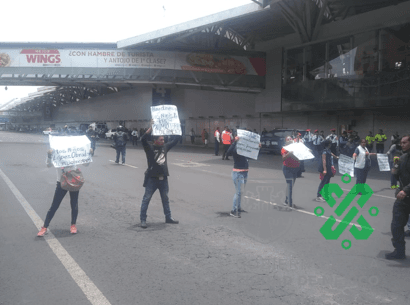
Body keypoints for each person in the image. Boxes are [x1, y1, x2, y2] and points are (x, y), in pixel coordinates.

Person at [37, 137, 93, 237]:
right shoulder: (57, 153)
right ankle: (44, 227)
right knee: (54, 205)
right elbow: (49, 165)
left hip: (74, 181)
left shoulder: (73, 154)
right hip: (61, 182)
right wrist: (49, 155)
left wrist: (89, 154)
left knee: (74, 204)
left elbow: (86, 164)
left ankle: (73, 225)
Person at [140, 119, 180, 228]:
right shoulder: (149, 148)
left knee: (165, 199)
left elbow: (176, 140)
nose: (163, 141)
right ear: (155, 140)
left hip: (164, 179)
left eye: (163, 139)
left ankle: (168, 217)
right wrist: (150, 129)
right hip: (152, 179)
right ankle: (143, 219)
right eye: (161, 139)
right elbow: (143, 139)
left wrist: (175, 129)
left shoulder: (165, 147)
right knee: (146, 199)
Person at [386, 135, 410, 259]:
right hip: (404, 198)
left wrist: (405, 190)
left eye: (405, 142)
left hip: (406, 193)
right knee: (396, 224)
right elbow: (396, 176)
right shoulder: (402, 158)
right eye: (401, 142)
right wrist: (395, 168)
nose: (402, 144)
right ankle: (399, 251)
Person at [226, 136, 261, 217]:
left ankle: (238, 208)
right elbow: (228, 152)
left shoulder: (245, 150)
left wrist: (258, 148)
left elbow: (253, 156)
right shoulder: (236, 149)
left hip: (245, 173)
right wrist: (235, 141)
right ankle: (233, 211)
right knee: (238, 192)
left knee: (241, 192)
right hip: (238, 173)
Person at [281, 137, 300, 208]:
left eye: (290, 140)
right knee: (290, 184)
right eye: (288, 140)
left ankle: (287, 201)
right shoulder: (284, 148)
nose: (289, 141)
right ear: (286, 142)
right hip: (287, 168)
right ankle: (289, 202)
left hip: (295, 168)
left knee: (291, 185)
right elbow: (283, 158)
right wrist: (289, 153)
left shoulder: (296, 148)